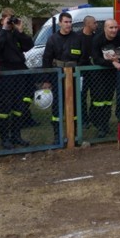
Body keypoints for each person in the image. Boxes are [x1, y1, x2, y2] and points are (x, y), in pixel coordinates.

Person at [0, 8, 34, 149]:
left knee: (18, 107)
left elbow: (29, 46)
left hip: (19, 71)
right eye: (7, 18)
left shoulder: (16, 34)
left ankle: (16, 135)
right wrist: (4, 29)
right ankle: (4, 138)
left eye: (11, 18)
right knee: (5, 108)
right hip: (6, 72)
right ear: (1, 19)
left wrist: (20, 30)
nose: (10, 21)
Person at [42, 12, 83, 145]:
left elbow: (82, 57)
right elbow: (46, 60)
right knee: (57, 107)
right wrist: (47, 80)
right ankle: (57, 136)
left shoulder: (77, 38)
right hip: (58, 77)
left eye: (70, 22)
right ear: (60, 23)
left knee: (75, 106)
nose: (68, 24)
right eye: (65, 22)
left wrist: (79, 74)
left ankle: (74, 135)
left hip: (74, 76)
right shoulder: (53, 39)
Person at [90, 19, 120, 138]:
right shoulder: (97, 39)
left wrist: (119, 58)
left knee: (108, 101)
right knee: (98, 101)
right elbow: (96, 59)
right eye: (111, 28)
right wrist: (112, 63)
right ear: (105, 28)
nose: (114, 30)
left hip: (111, 74)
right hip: (98, 74)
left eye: (115, 27)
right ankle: (98, 125)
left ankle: (105, 125)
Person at [78, 15, 98, 127]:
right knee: (81, 96)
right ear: (88, 24)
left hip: (94, 73)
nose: (96, 24)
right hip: (81, 73)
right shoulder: (77, 37)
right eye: (94, 22)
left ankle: (94, 118)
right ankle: (83, 120)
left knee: (95, 95)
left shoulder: (96, 37)